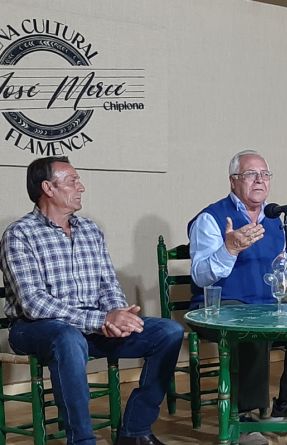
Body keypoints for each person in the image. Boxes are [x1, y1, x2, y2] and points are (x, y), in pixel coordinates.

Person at [0, 156, 184, 445]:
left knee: (169, 332)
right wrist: (101, 320)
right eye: (73, 181)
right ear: (48, 187)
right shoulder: (19, 235)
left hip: (91, 323)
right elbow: (34, 303)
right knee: (67, 337)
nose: (81, 187)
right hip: (34, 327)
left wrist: (118, 316)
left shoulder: (90, 230)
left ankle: (135, 431)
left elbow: (108, 285)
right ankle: (82, 440)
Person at [188, 149, 287, 444]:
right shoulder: (211, 219)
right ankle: (244, 416)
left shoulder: (275, 219)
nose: (260, 180)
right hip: (220, 306)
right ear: (234, 180)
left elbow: (283, 272)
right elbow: (200, 275)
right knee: (253, 324)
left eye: (265, 174)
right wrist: (229, 249)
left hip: (267, 306)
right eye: (251, 174)